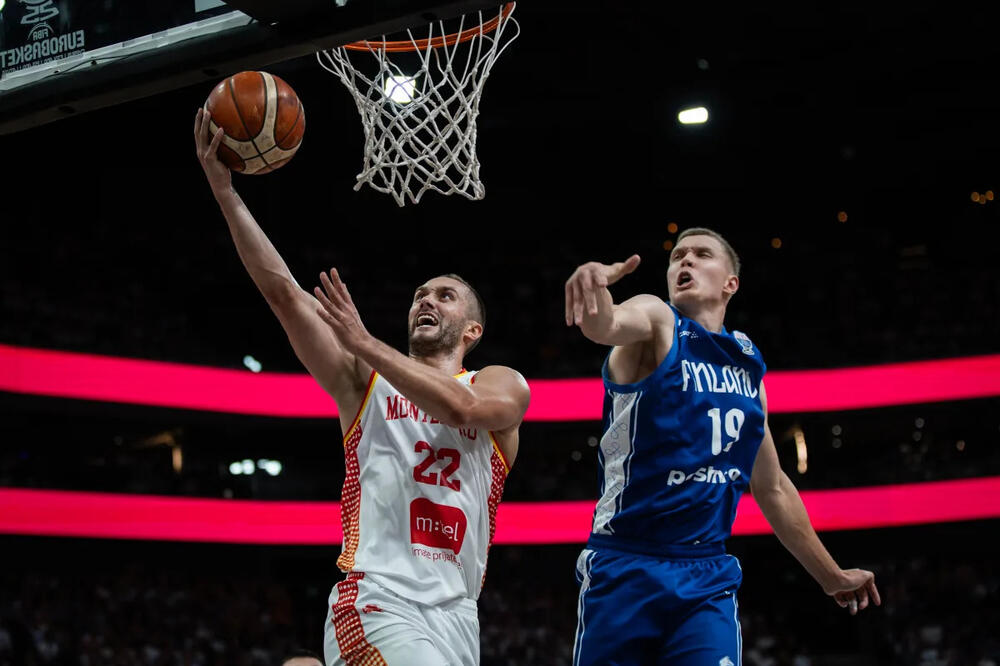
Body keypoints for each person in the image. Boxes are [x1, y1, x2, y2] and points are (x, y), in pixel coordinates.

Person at [194, 109, 530, 666]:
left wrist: (364, 340)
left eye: (445, 296)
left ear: (473, 330)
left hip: (458, 616)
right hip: (375, 599)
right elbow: (284, 293)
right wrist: (226, 192)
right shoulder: (362, 383)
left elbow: (460, 406)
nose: (426, 299)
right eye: (421, 293)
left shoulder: (499, 384)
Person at [563, 227, 881, 665]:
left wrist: (831, 576)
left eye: (700, 254)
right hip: (626, 564)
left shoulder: (747, 365)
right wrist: (593, 288)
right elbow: (606, 325)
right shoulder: (656, 318)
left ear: (730, 283)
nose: (685, 261)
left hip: (706, 574)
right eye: (678, 256)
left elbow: (771, 488)